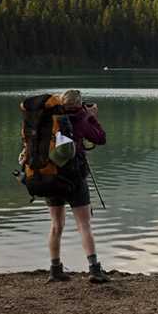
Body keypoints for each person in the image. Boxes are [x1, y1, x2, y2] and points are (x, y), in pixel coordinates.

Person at [44, 90, 110, 284]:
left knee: (56, 225)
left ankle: (55, 269)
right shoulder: (81, 119)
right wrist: (92, 117)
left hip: (52, 177)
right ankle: (94, 270)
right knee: (84, 225)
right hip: (74, 178)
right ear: (80, 104)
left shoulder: (52, 119)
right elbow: (100, 138)